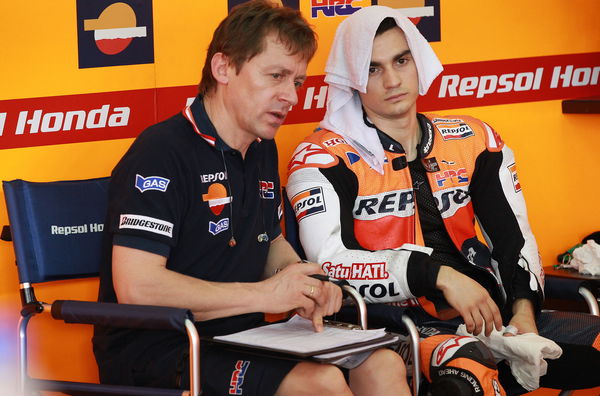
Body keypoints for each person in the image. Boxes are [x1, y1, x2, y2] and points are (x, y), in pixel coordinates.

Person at [92, 2, 410, 395]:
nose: (290, 96)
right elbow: (138, 288)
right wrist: (266, 294)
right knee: (321, 384)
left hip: (243, 333)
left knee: (383, 364)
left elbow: (269, 242)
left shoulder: (261, 147)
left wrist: (310, 283)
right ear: (223, 68)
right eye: (275, 76)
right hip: (160, 347)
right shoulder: (161, 151)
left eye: (296, 82)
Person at [286, 5, 600, 396]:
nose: (393, 79)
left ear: (417, 60)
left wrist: (523, 311)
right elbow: (328, 261)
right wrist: (437, 275)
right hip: (393, 326)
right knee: (470, 371)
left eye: (401, 60)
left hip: (492, 315)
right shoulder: (322, 158)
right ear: (352, 80)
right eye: (373, 68)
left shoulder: (474, 139)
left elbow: (513, 237)